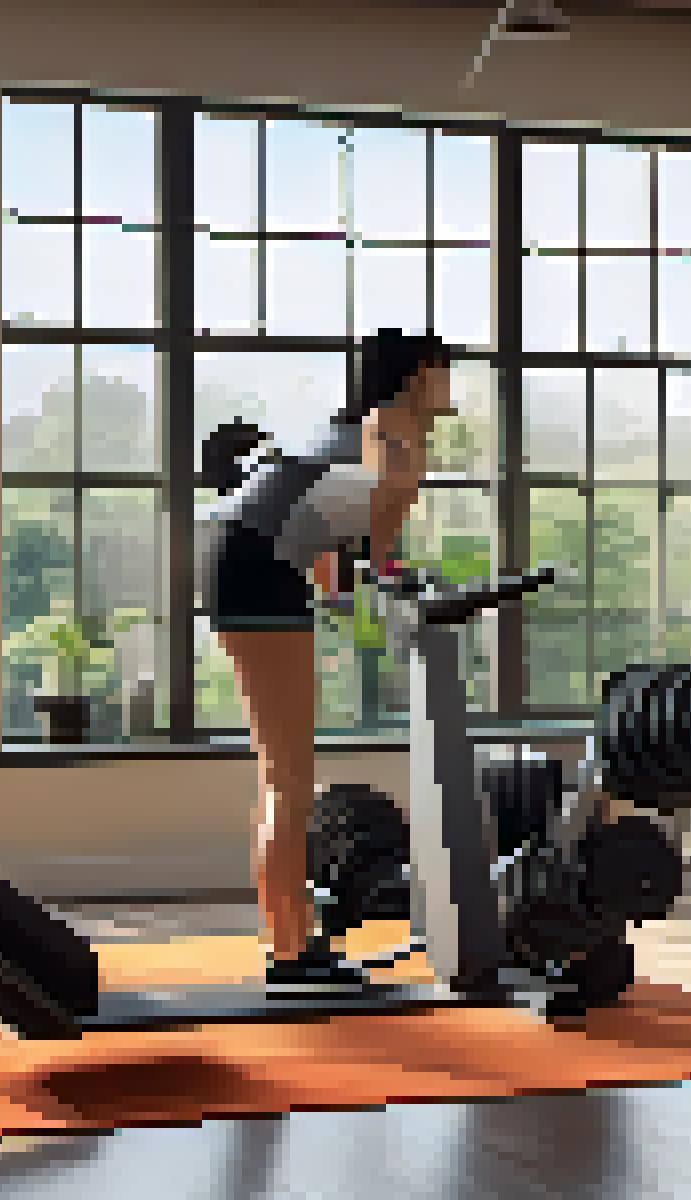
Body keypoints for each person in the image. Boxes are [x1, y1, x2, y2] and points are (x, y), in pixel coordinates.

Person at [199, 328, 457, 991]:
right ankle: (291, 954)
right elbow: (383, 519)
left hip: (241, 559)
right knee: (288, 775)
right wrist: (394, 573)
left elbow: (322, 527)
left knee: (280, 773)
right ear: (417, 375)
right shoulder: (393, 423)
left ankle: (290, 941)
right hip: (255, 567)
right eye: (442, 370)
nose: (450, 384)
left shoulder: (345, 433)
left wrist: (344, 590)